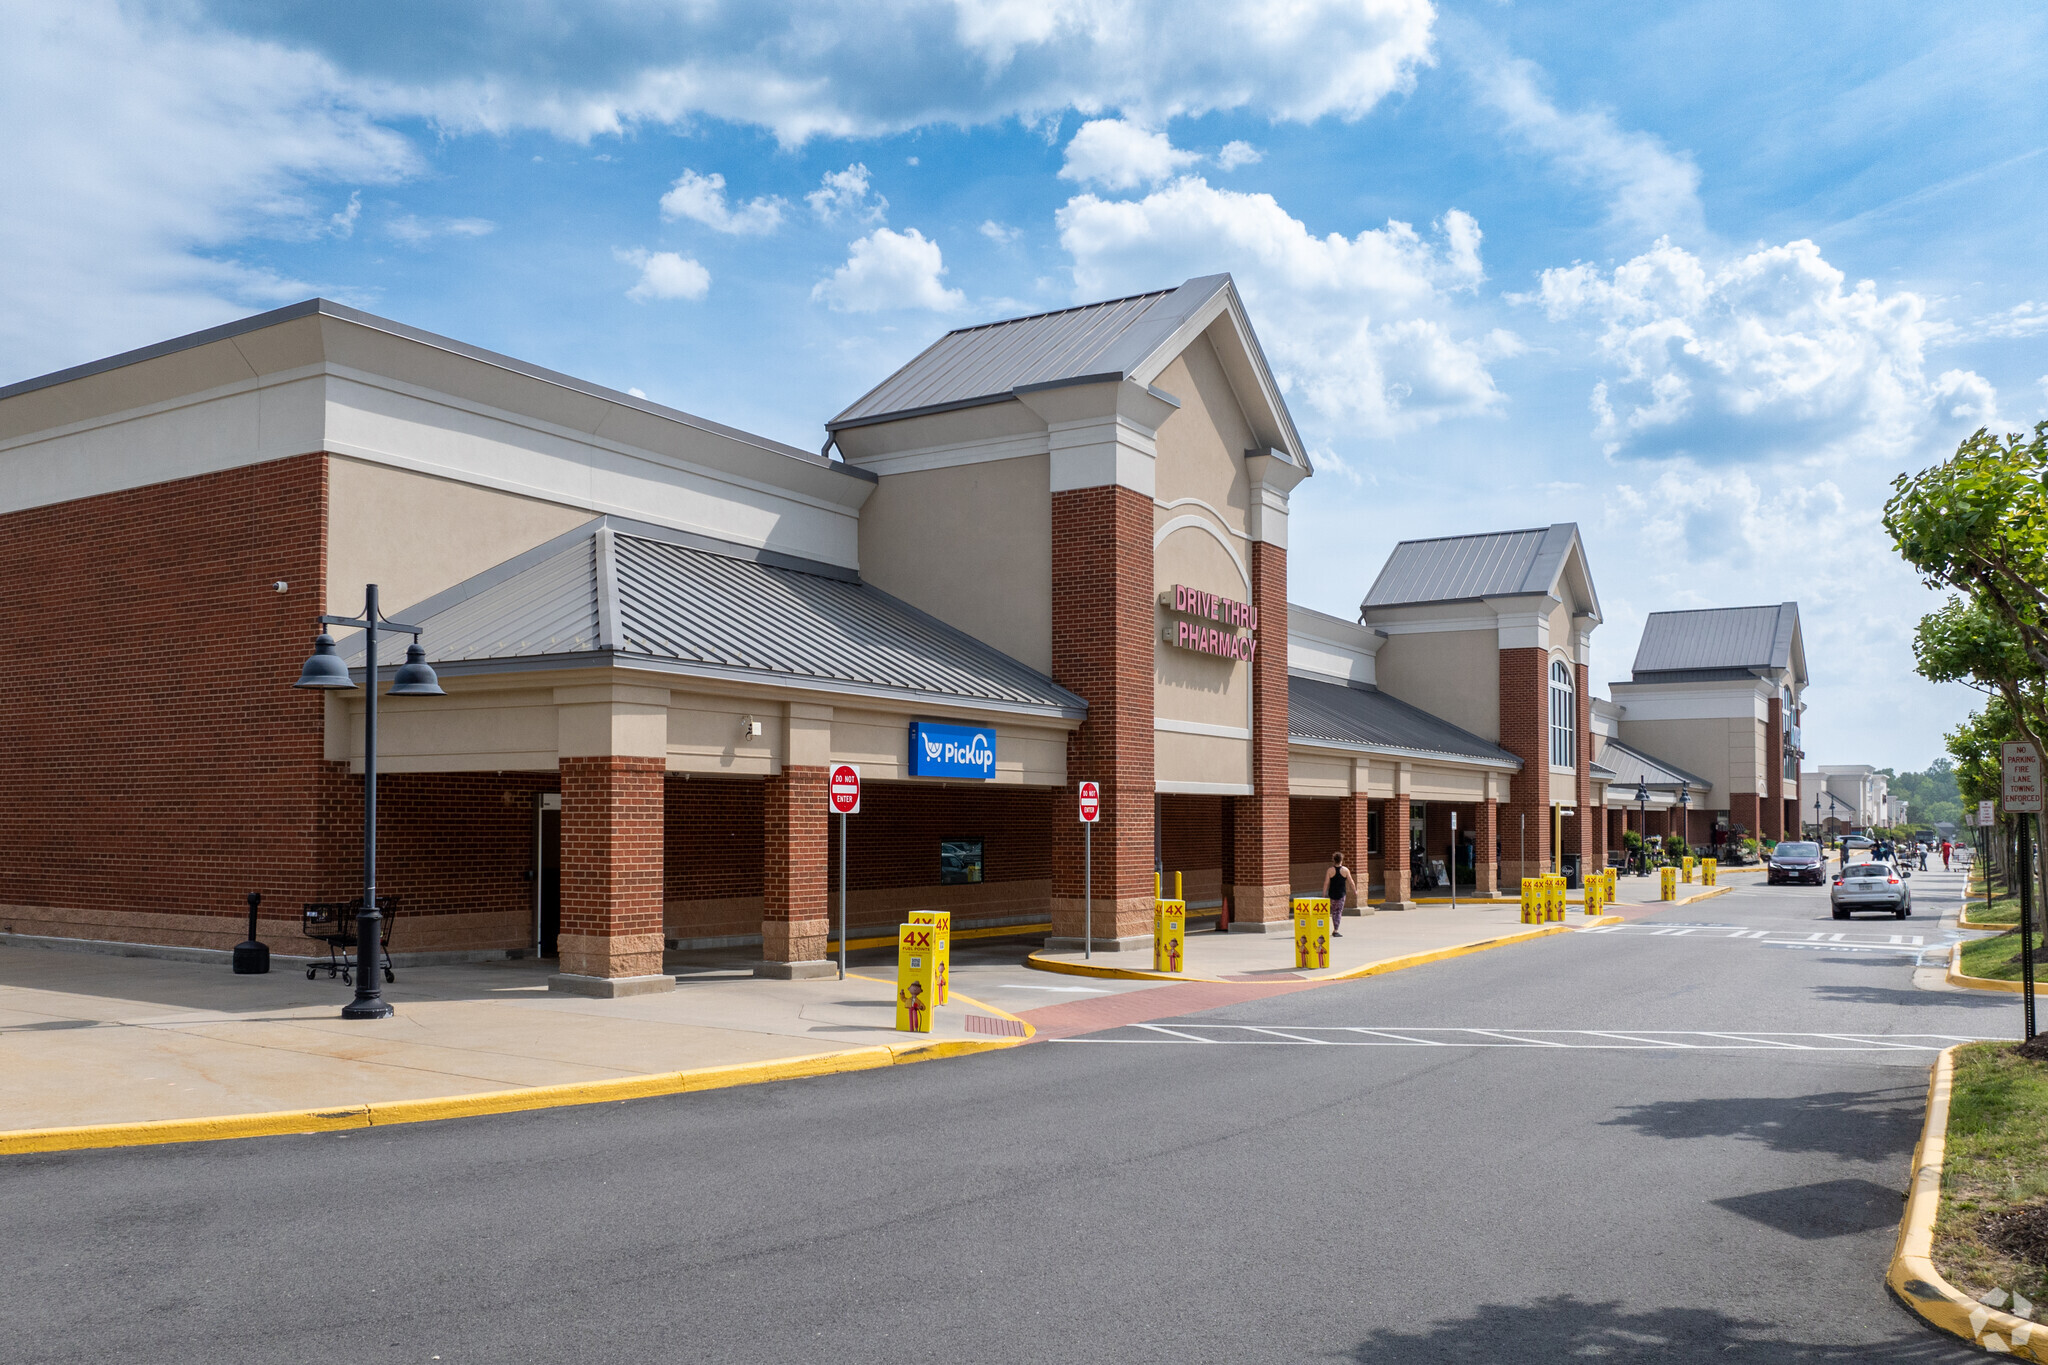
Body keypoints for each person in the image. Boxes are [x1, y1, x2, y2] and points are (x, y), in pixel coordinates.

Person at [1326, 851, 1356, 937]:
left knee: (1334, 911)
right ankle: (1336, 930)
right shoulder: (1345, 870)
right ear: (1341, 860)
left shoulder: (1330, 870)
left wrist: (1324, 893)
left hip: (1332, 893)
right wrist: (1354, 890)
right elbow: (1351, 882)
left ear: (1333, 860)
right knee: (1339, 911)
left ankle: (1335, 928)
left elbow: (1326, 883)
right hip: (1341, 893)